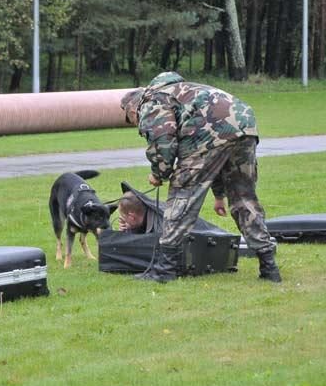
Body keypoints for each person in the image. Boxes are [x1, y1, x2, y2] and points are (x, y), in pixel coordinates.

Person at [120, 71, 281, 283]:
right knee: (245, 199)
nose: (135, 122)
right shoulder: (187, 90)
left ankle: (164, 270)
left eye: (131, 119)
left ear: (133, 108)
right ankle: (269, 266)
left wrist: (159, 174)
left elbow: (164, 142)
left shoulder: (151, 100)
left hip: (208, 134)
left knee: (181, 198)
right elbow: (217, 156)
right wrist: (219, 195)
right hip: (244, 125)